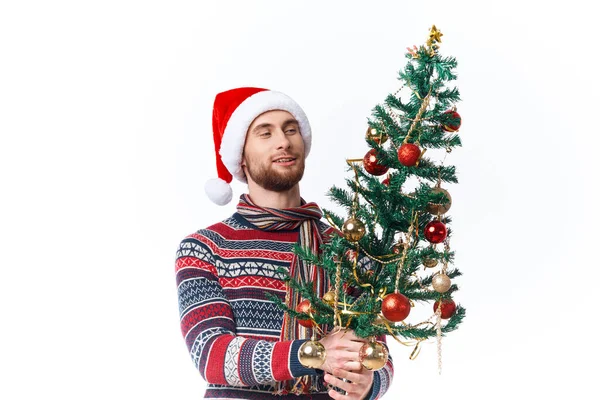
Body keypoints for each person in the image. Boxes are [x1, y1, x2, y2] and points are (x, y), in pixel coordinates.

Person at [175, 87, 394, 399]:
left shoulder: (347, 249)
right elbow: (211, 354)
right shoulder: (205, 248)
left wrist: (370, 384)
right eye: (265, 133)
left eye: (291, 130)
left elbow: (379, 353)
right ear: (242, 157)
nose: (284, 140)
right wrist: (315, 353)